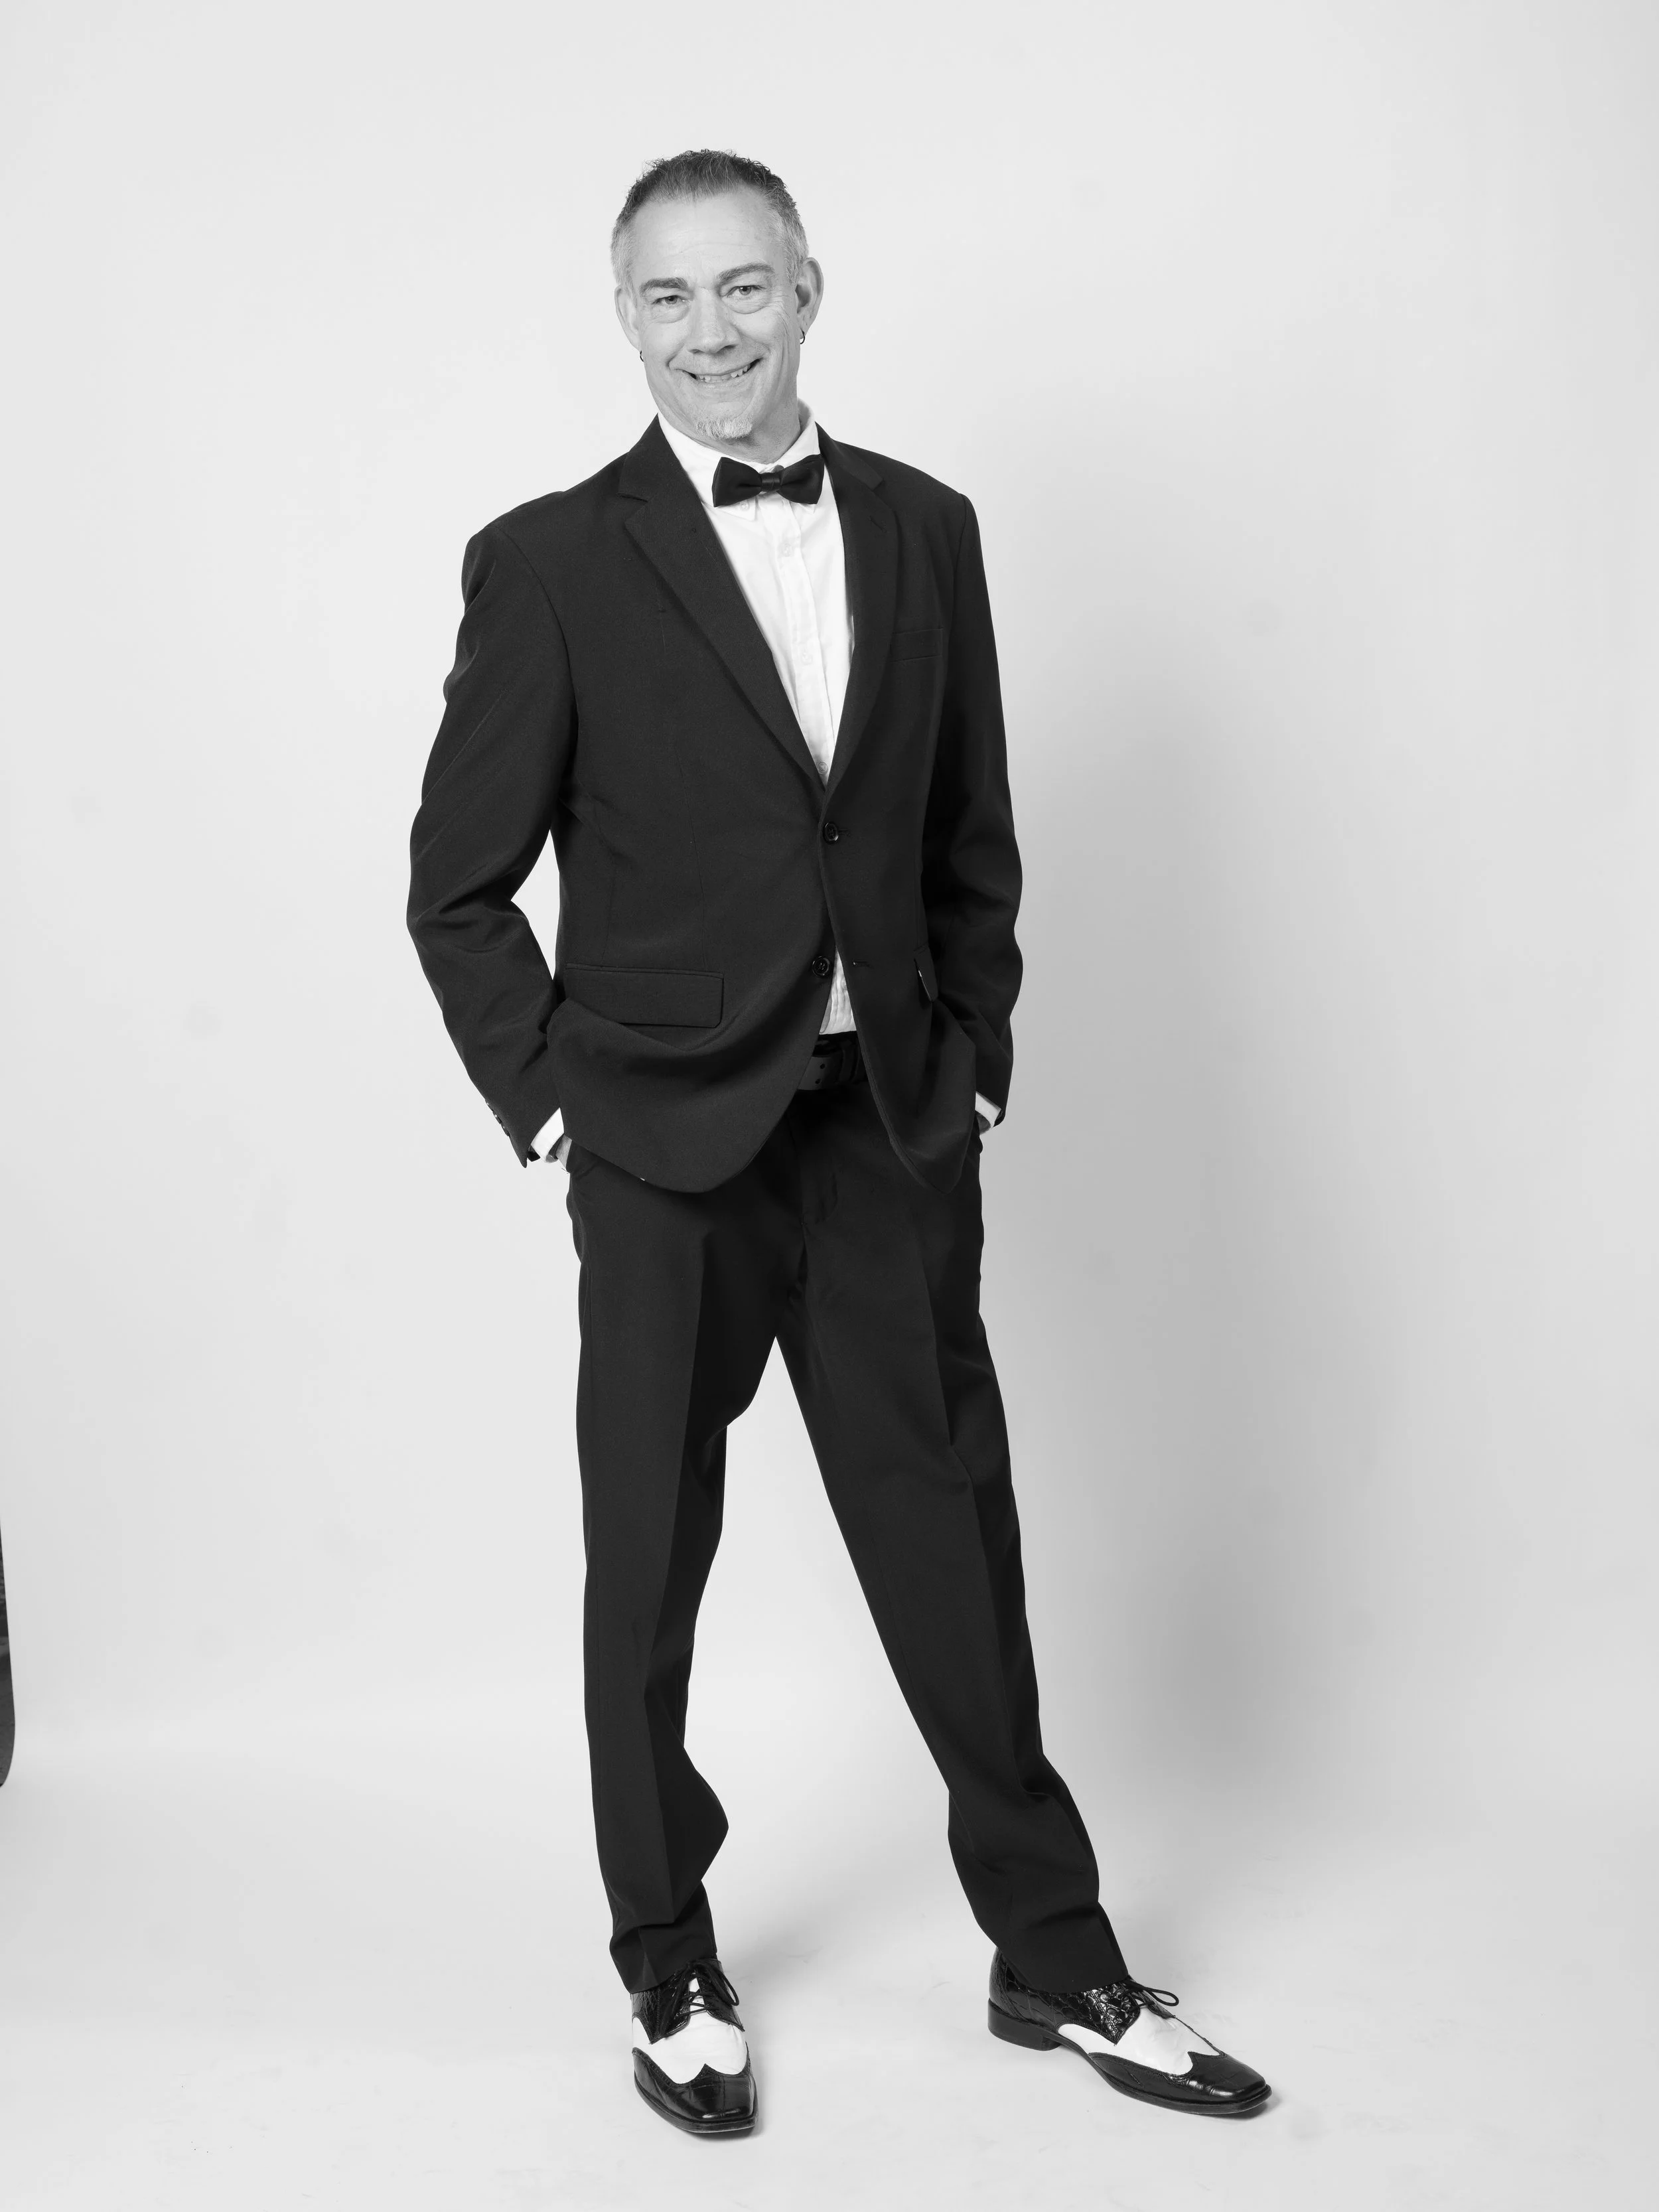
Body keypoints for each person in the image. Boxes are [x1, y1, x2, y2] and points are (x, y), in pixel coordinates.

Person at [407, 149, 1267, 2138]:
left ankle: (1054, 1960)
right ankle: (667, 1959)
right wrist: (553, 1104)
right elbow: (459, 888)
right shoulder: (546, 563)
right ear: (622, 318)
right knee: (650, 1566)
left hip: (880, 1131)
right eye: (665, 298)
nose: (710, 331)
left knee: (953, 1543)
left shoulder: (924, 527)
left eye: (744, 288)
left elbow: (968, 829)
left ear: (810, 287)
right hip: (659, 1148)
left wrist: (970, 1056)